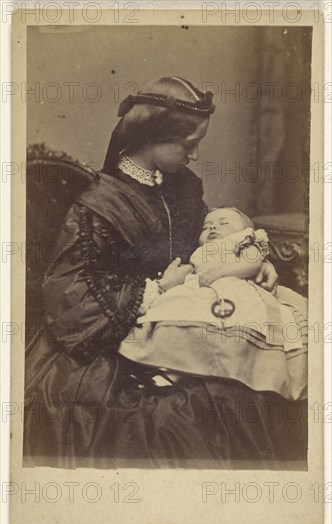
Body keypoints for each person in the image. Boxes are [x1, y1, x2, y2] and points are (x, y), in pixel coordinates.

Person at [24, 76, 306, 469]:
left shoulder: (184, 187)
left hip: (189, 313)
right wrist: (155, 288)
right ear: (153, 138)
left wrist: (255, 260)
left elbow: (211, 241)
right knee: (179, 416)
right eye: (188, 145)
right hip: (107, 339)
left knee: (254, 379)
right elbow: (68, 294)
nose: (194, 155)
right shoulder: (100, 204)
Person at [119, 207, 308, 402]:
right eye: (206, 226)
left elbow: (252, 264)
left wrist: (221, 273)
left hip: (235, 290)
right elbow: (191, 270)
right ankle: (170, 371)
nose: (213, 228)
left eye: (224, 223)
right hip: (197, 292)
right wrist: (172, 280)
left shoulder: (243, 242)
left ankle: (235, 373)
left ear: (246, 231)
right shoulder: (200, 252)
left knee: (234, 329)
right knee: (179, 320)